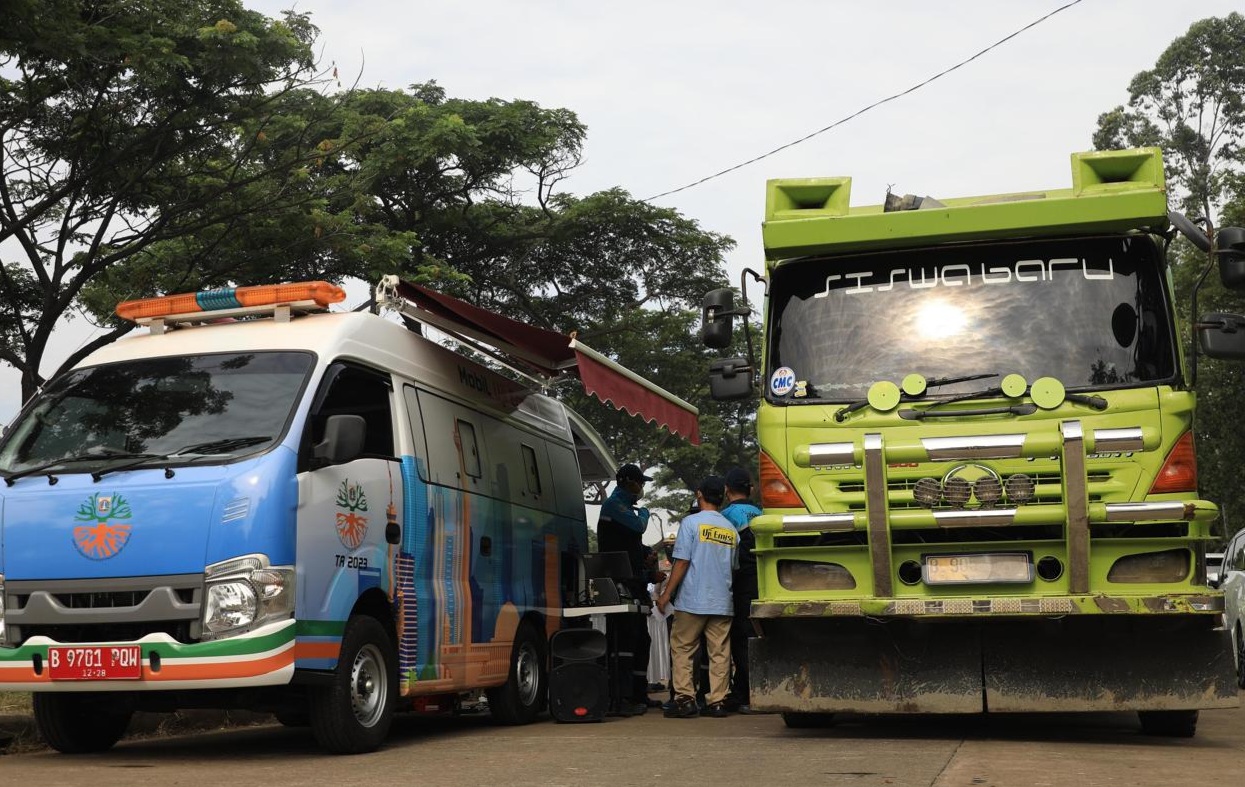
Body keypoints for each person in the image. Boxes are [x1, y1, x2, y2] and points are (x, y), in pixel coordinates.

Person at [657, 476, 738, 718]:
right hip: (722, 601)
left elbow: (682, 561)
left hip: (693, 599)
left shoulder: (691, 523)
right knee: (720, 652)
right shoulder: (730, 529)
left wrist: (666, 594)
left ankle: (684, 700)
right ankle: (718, 701)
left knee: (682, 648)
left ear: (699, 494)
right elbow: (732, 568)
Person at [597, 463, 659, 715]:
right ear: (627, 482)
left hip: (634, 584)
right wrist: (644, 512)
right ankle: (620, 698)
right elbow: (637, 527)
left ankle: (638, 693)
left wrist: (646, 556)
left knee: (641, 640)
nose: (642, 487)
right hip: (619, 585)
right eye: (639, 482)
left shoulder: (624, 509)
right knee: (623, 641)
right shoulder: (615, 506)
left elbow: (630, 543)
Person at [721, 466, 761, 713]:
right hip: (764, 582)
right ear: (751, 489)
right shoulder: (762, 512)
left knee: (741, 639)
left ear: (726, 490)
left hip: (740, 584)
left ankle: (745, 693)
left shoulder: (725, 516)